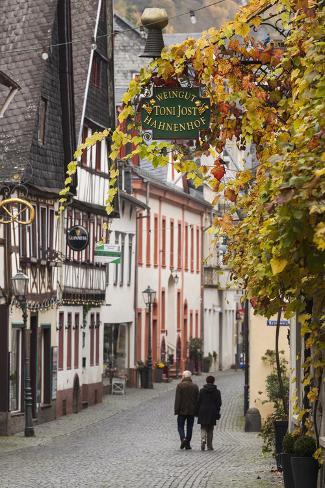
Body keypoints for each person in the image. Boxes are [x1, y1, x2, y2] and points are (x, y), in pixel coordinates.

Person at [174, 370, 199, 450]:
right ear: (190, 377)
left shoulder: (180, 386)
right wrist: (197, 411)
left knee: (180, 426)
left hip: (182, 410)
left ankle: (183, 439)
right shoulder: (195, 386)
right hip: (192, 410)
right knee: (190, 427)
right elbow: (197, 399)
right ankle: (187, 443)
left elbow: (178, 399)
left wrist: (176, 410)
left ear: (184, 376)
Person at [197, 375, 222, 451]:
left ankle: (203, 439)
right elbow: (219, 403)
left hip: (203, 410)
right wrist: (217, 410)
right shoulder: (217, 391)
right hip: (212, 411)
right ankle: (209, 446)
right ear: (213, 381)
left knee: (203, 427)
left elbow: (198, 401)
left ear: (206, 381)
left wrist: (198, 410)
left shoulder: (202, 391)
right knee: (210, 429)